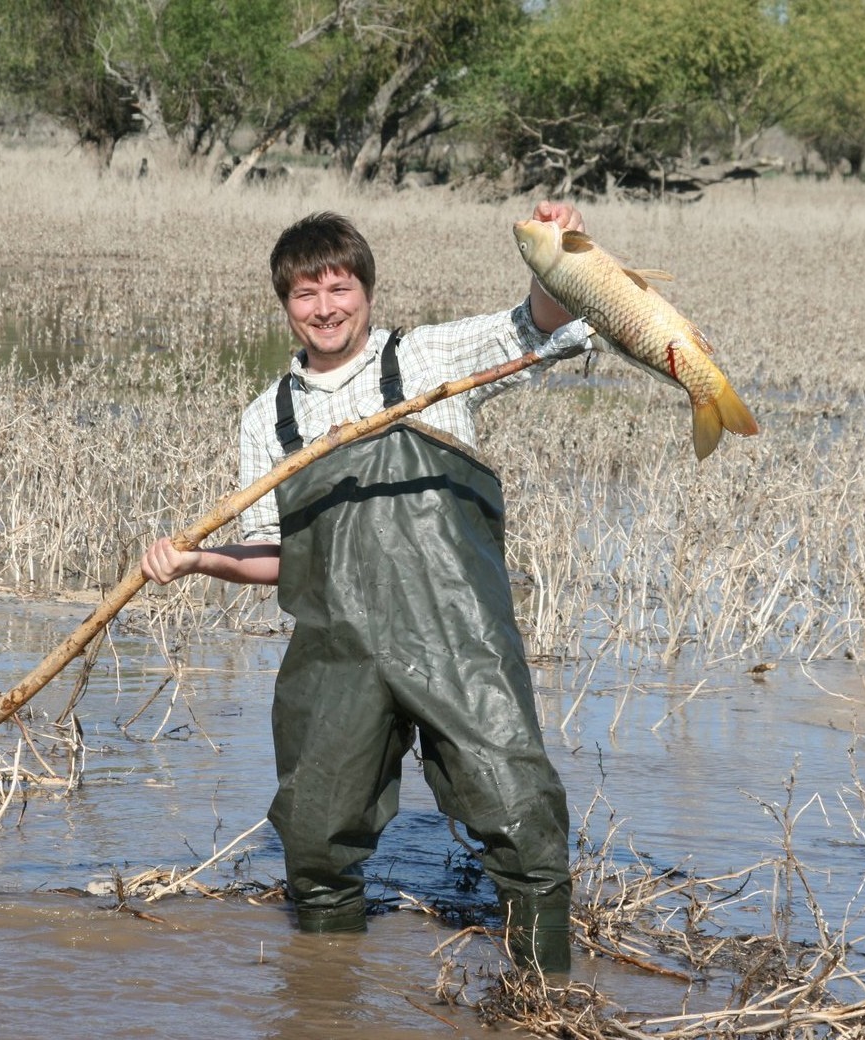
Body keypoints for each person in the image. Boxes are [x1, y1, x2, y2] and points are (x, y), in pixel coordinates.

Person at [141, 201, 589, 973]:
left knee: (521, 818)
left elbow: (539, 325)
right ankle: (323, 1005)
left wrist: (552, 257)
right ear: (286, 306)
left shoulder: (421, 361)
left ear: (366, 291)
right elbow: (279, 559)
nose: (325, 308)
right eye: (306, 295)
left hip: (456, 638)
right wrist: (198, 560)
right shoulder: (269, 418)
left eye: (338, 288)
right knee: (314, 841)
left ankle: (547, 1000)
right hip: (339, 652)